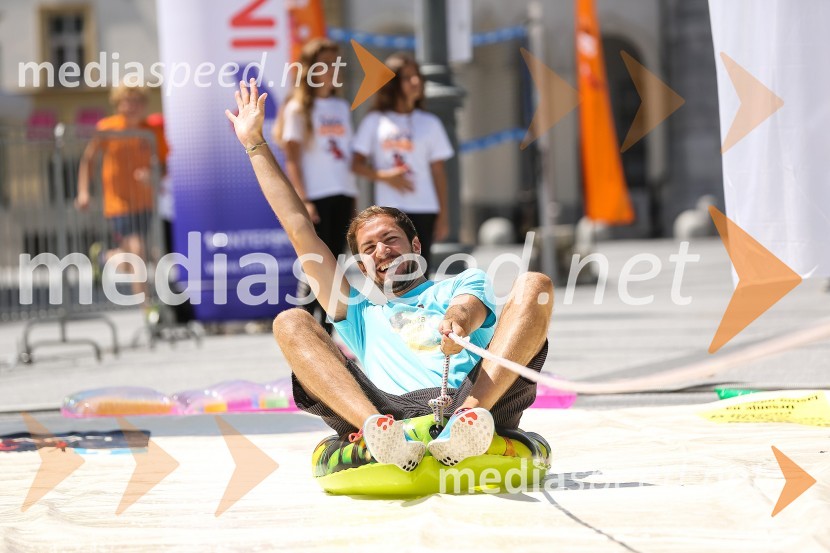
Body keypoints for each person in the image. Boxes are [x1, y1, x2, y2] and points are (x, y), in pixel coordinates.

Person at [226, 79, 553, 472]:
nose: (382, 251)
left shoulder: (460, 283)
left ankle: (468, 423)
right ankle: (376, 431)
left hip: (472, 395)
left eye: (391, 239)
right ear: (363, 267)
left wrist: (458, 321)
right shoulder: (359, 314)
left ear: (415, 247)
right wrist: (254, 145)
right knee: (290, 320)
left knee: (535, 284)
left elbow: (468, 308)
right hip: (389, 409)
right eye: (368, 248)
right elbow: (300, 229)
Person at [274, 38, 357, 335]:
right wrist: (304, 200)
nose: (332, 69)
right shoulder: (297, 108)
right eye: (324, 64)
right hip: (316, 197)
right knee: (314, 266)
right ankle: (303, 331)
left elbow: (345, 156)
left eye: (336, 63)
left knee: (336, 266)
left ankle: (329, 334)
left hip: (342, 193)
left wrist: (354, 195)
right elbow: (292, 158)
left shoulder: (341, 106)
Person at [351, 52, 452, 271]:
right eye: (407, 77)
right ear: (392, 83)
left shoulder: (430, 122)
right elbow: (356, 164)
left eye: (417, 76)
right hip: (390, 211)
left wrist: (443, 215)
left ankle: (423, 307)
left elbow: (439, 172)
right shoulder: (374, 121)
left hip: (425, 207)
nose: (416, 82)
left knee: (422, 269)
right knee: (395, 269)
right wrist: (385, 176)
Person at [76, 83, 168, 314]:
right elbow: (88, 160)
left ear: (144, 105)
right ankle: (147, 309)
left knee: (142, 256)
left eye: (137, 101)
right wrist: (84, 192)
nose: (131, 106)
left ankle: (106, 257)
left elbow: (165, 166)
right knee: (137, 251)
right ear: (117, 103)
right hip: (118, 204)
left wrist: (153, 175)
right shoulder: (107, 128)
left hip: (147, 203)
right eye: (126, 101)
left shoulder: (153, 131)